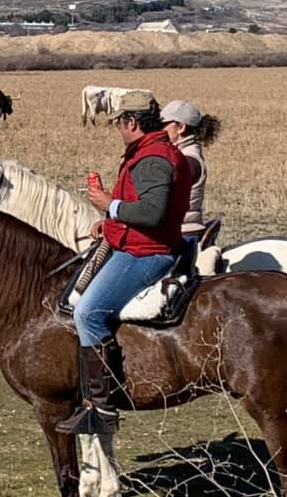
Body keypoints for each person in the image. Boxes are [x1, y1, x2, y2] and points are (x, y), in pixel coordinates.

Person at [56, 91, 191, 436]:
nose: (117, 127)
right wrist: (112, 224)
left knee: (88, 312)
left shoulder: (153, 158)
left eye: (118, 122)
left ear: (131, 122)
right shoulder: (151, 152)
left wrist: (110, 205)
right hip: (139, 240)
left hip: (147, 252)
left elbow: (153, 211)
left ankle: (101, 406)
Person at [160, 100, 222, 249]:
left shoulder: (187, 160)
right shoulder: (186, 154)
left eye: (163, 125)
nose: (159, 130)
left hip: (182, 234)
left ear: (181, 127)